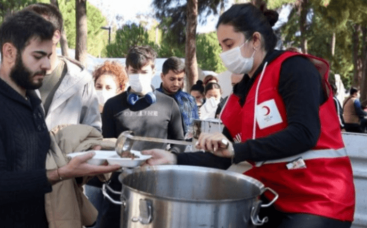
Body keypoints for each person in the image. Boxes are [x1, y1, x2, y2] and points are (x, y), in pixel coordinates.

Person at [142, 3, 355, 228]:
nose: (224, 54)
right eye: (221, 47)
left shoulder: (295, 69)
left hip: (320, 199)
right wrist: (174, 159)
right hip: (274, 197)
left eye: (229, 44)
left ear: (255, 40)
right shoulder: (242, 91)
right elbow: (219, 155)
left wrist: (238, 149)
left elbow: (304, 133)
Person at [0, 10, 120, 228]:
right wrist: (60, 173)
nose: (47, 66)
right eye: (38, 56)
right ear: (9, 52)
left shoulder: (31, 102)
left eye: (49, 55)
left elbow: (36, 162)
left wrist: (87, 154)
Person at [99, 46, 184, 228]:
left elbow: (180, 143)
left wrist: (164, 160)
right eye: (134, 71)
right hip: (118, 188)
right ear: (127, 70)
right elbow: (107, 144)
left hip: (156, 187)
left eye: (144, 71)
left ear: (154, 71)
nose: (139, 75)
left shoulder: (169, 104)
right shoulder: (112, 105)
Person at [25, 3, 101, 131]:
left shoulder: (81, 81)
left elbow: (93, 132)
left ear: (56, 36)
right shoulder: (14, 79)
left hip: (68, 151)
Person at [85, 60, 128, 228]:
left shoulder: (121, 113)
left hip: (116, 181)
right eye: (99, 86)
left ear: (120, 88)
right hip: (92, 179)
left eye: (108, 87)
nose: (102, 91)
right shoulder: (86, 112)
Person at [157, 56, 199, 135]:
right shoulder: (153, 98)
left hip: (185, 145)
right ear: (162, 76)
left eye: (180, 79)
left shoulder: (189, 100)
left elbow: (196, 129)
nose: (176, 84)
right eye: (172, 79)